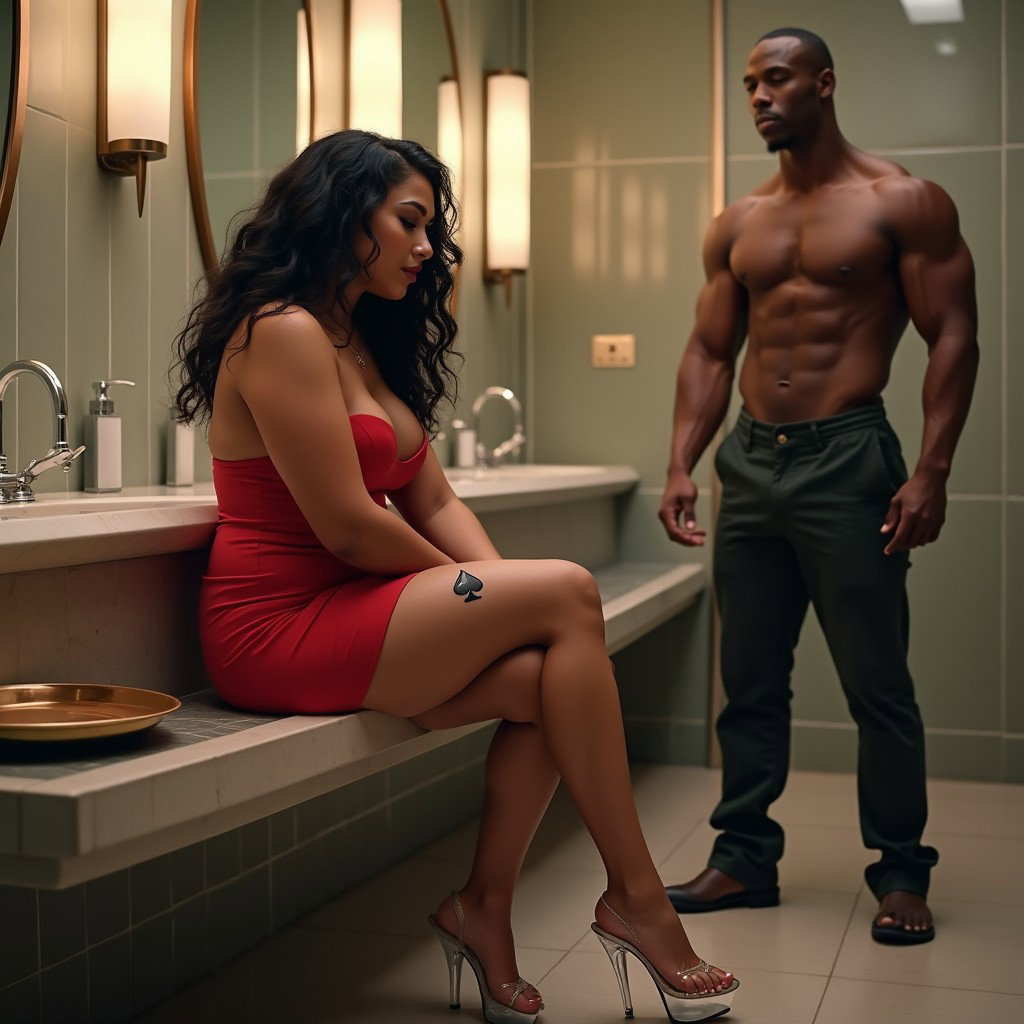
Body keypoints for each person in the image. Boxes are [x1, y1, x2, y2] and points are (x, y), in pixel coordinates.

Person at [173, 130, 738, 1024]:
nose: (429, 248)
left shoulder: (356, 339)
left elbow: (431, 500)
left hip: (360, 610)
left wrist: (490, 602)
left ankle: (483, 908)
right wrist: (483, 598)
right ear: (341, 210)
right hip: (277, 626)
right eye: (410, 221)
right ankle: (639, 901)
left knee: (556, 675)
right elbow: (352, 529)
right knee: (565, 594)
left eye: (431, 228)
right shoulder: (277, 332)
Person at [658, 27, 978, 947]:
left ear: (825, 84)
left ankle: (903, 873)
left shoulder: (902, 201)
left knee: (876, 680)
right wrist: (683, 457)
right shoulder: (738, 222)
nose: (759, 96)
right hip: (751, 463)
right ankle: (744, 858)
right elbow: (711, 350)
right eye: (750, 82)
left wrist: (932, 469)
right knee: (749, 676)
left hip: (849, 457)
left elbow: (953, 333)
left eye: (778, 79)